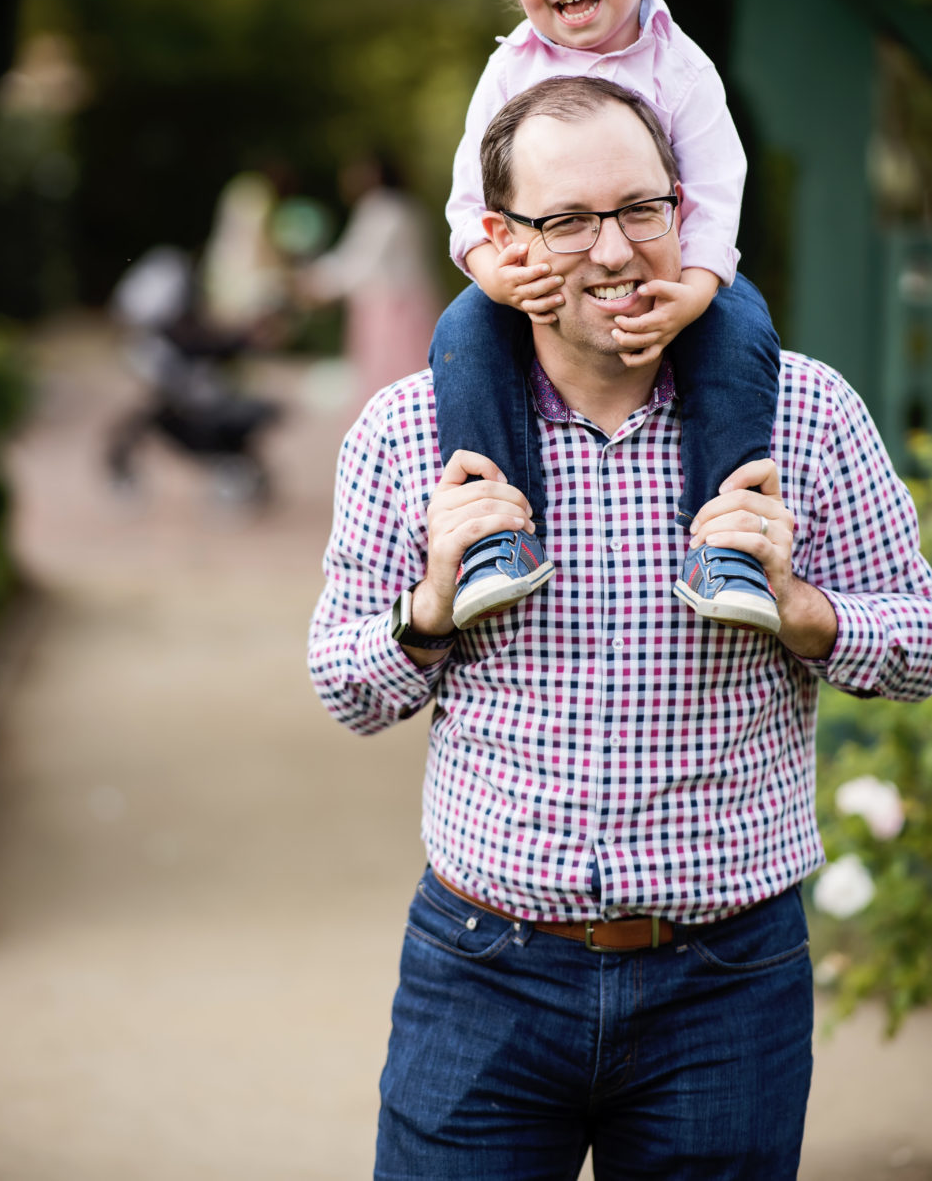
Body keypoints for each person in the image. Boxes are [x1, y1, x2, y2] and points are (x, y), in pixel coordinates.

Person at [308, 76, 932, 1181]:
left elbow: (918, 642)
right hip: (481, 972)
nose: (613, 252)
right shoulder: (411, 431)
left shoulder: (805, 414)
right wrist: (427, 612)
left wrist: (806, 614)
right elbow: (345, 689)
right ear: (496, 239)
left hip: (727, 983)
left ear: (682, 212)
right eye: (566, 221)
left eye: (640, 210)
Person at [432, 0, 781, 636]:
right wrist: (493, 271)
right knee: (461, 335)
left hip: (673, 277)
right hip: (540, 279)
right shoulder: (509, 71)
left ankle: (723, 538)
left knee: (738, 335)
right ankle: (495, 532)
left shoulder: (680, 70)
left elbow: (718, 196)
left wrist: (691, 293)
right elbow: (464, 203)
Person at [302, 154, 442, 415]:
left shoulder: (380, 209)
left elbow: (359, 261)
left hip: (387, 310)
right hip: (412, 305)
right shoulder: (409, 207)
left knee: (387, 377)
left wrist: (317, 284)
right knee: (413, 377)